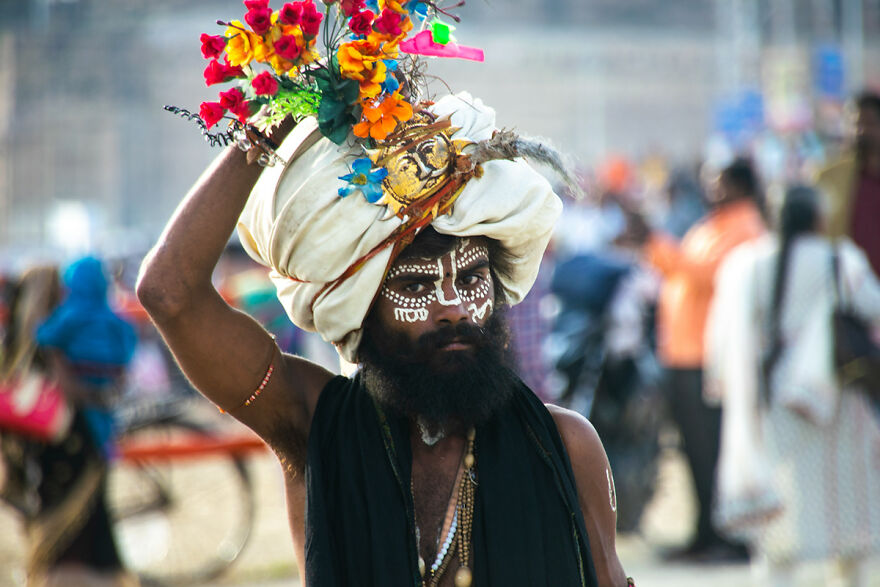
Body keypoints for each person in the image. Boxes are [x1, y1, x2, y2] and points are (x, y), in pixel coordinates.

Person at [138, 85, 633, 585]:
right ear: (364, 306)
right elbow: (169, 295)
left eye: (471, 279)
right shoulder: (312, 427)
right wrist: (273, 122)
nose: (453, 310)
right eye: (416, 286)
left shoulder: (566, 444)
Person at [706, 186, 880, 586]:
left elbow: (723, 338)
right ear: (818, 218)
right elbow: (873, 307)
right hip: (835, 400)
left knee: (782, 514)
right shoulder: (840, 259)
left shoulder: (746, 265)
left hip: (773, 400)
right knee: (844, 505)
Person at [640, 157, 766, 562]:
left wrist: (654, 241)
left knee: (712, 450)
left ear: (742, 187)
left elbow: (704, 274)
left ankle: (726, 537)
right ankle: (703, 532)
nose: (712, 189)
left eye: (721, 183)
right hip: (683, 355)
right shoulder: (712, 225)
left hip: (708, 359)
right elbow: (681, 270)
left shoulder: (746, 227)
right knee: (694, 450)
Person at [1, 258, 139, 587]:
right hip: (102, 418)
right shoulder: (115, 321)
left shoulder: (66, 318)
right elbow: (128, 356)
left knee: (71, 520)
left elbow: (44, 338)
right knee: (95, 508)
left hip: (71, 427)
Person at [815, 91, 880, 276]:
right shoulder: (828, 177)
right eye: (855, 123)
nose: (861, 131)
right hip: (849, 286)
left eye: (869, 123)